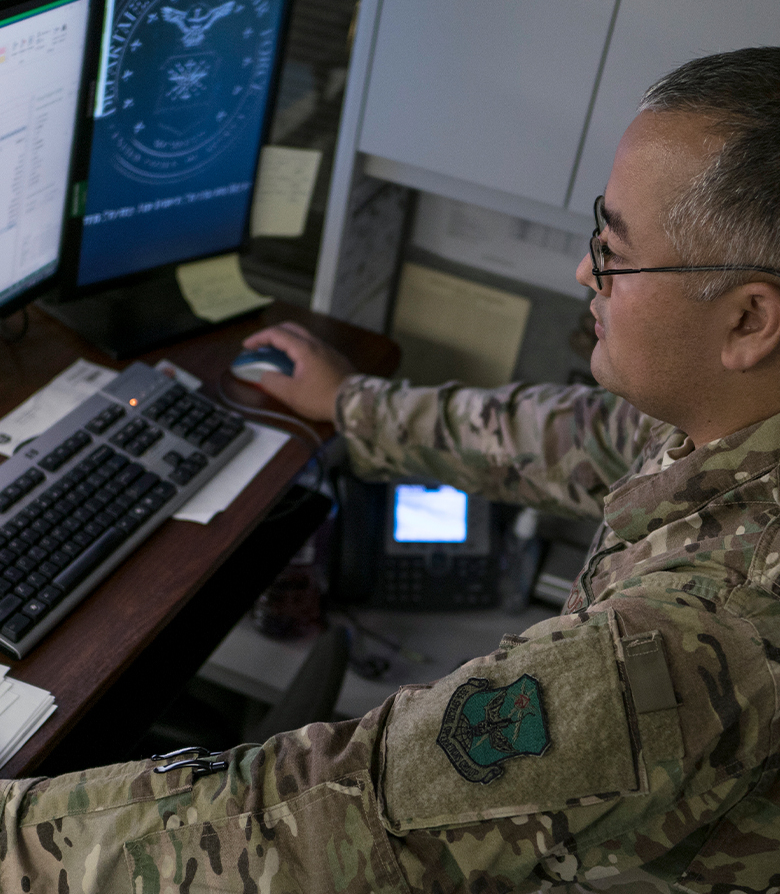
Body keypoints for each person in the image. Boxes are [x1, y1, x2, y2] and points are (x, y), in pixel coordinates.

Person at [3, 46, 780, 893]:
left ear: (749, 319)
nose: (585, 270)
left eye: (615, 250)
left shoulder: (705, 631)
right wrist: (352, 405)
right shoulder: (730, 423)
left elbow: (323, 819)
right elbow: (590, 434)